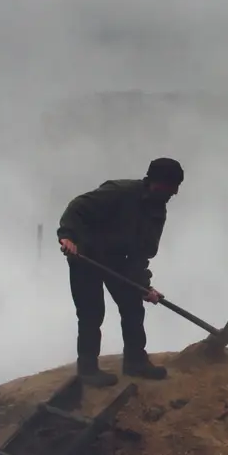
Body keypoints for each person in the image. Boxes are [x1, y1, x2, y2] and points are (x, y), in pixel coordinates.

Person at [57, 157, 184, 386]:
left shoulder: (157, 211)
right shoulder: (120, 191)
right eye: (171, 187)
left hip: (117, 260)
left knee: (132, 305)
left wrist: (144, 285)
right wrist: (67, 236)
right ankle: (87, 369)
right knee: (91, 312)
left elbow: (142, 252)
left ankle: (135, 362)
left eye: (176, 188)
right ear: (156, 183)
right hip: (85, 254)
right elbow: (77, 207)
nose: (174, 193)